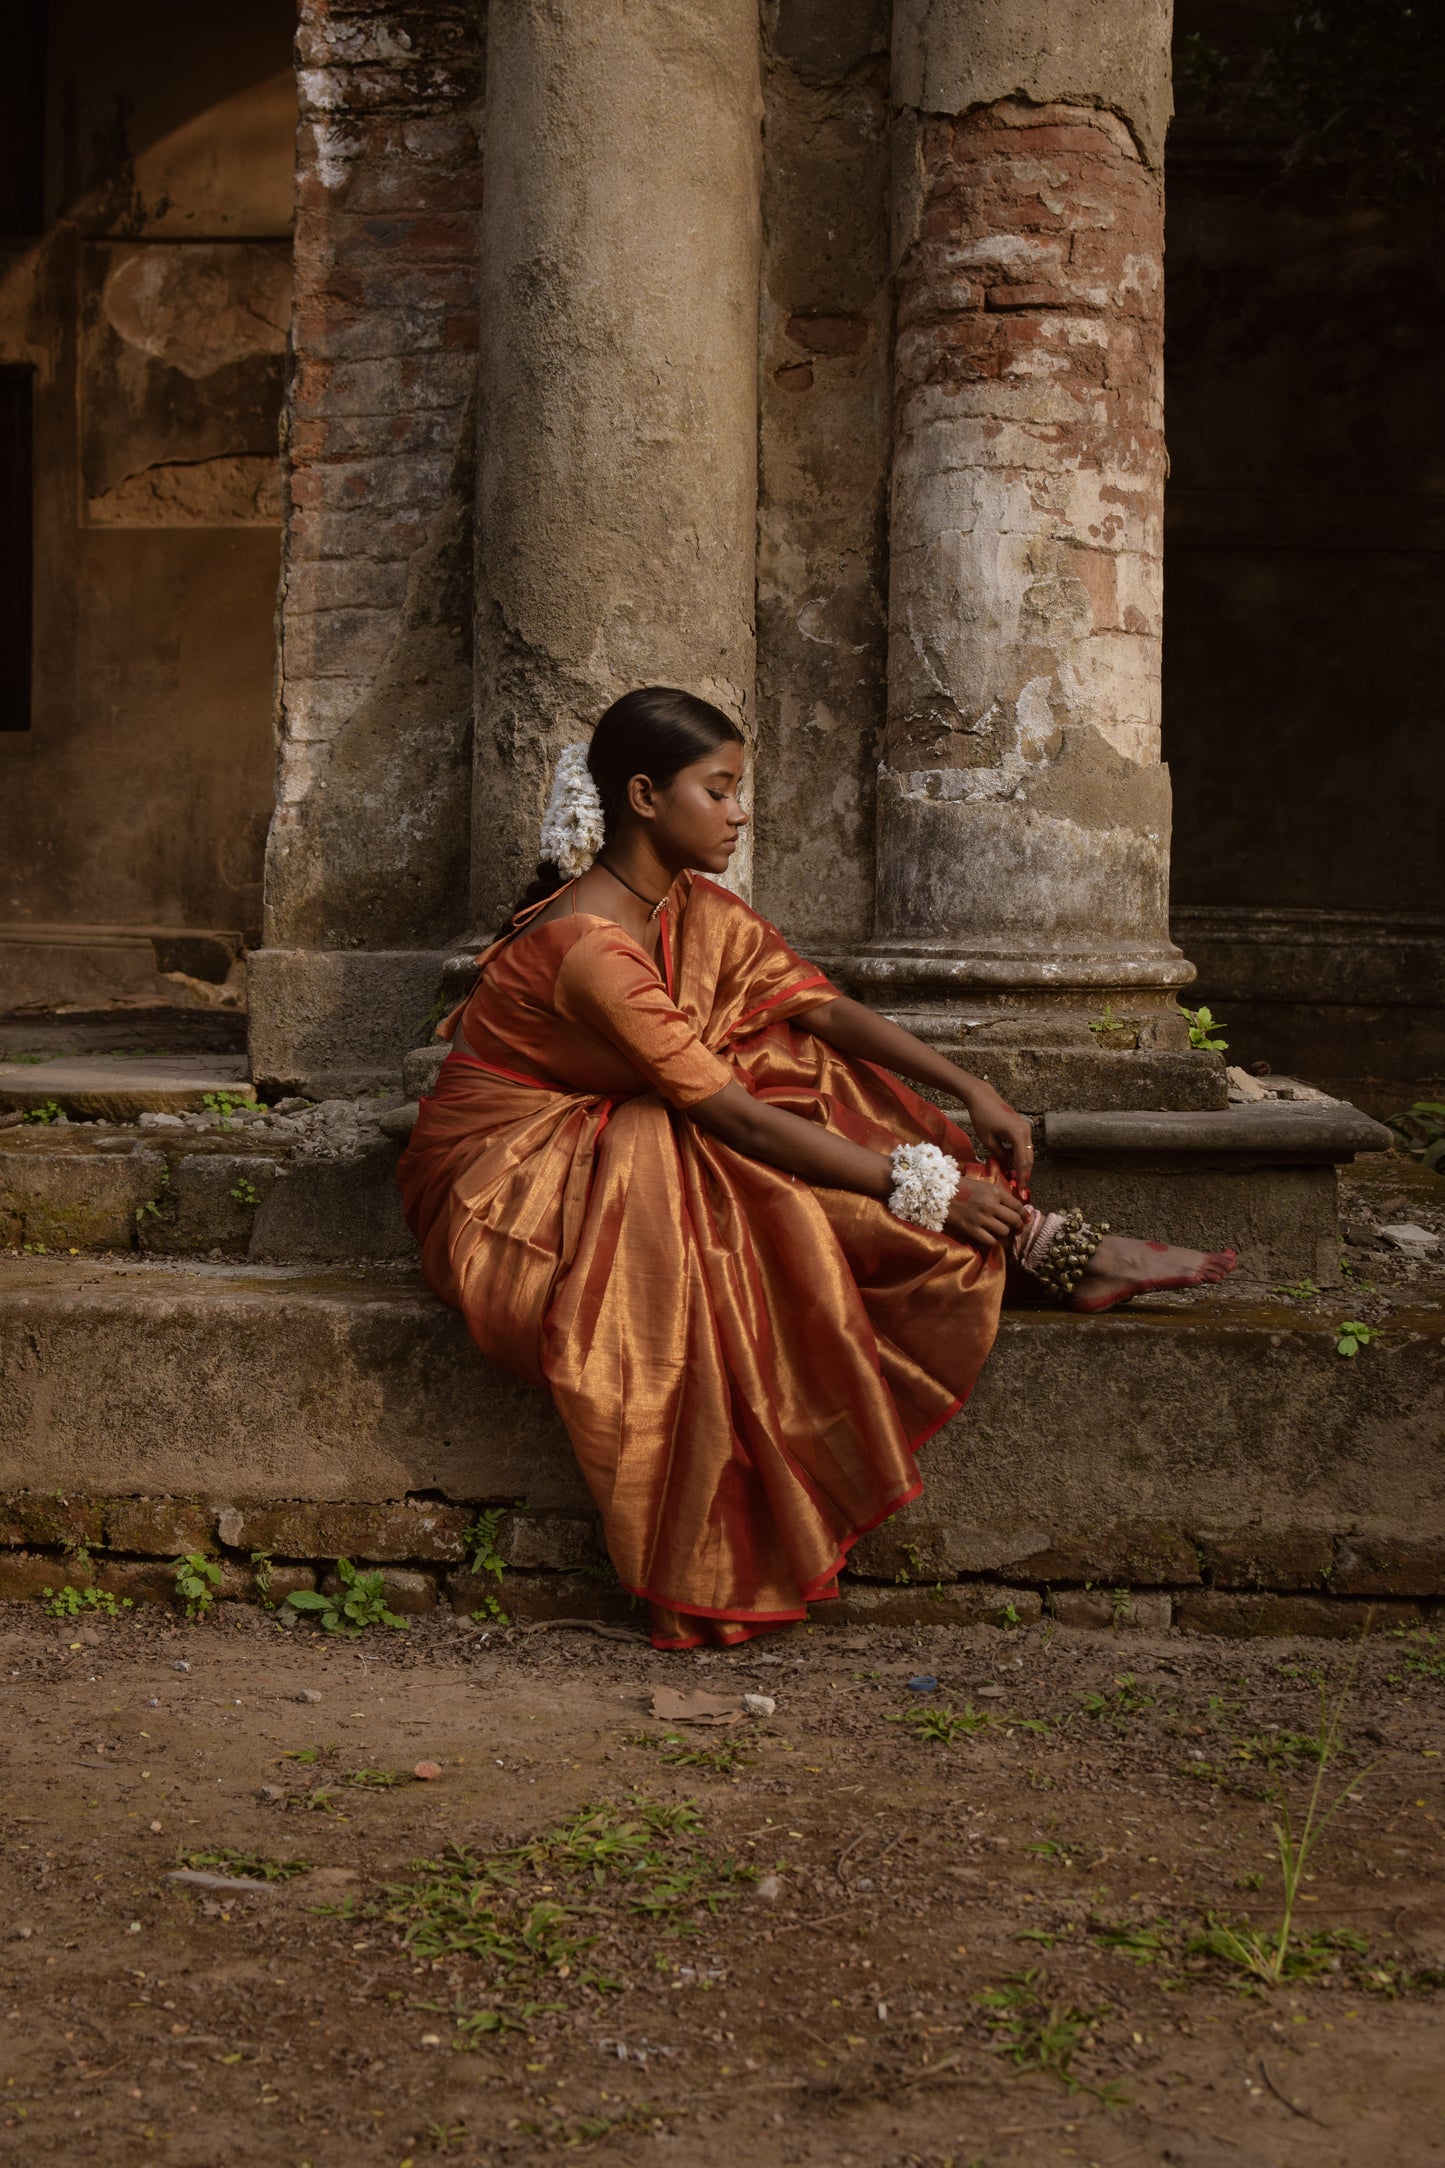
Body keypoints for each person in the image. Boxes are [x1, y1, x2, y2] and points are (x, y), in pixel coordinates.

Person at [398, 687, 1234, 1650]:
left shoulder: (689, 908)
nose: (739, 813)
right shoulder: (591, 950)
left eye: (737, 790)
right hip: (505, 1185)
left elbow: (821, 1006)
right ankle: (1030, 1244)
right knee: (684, 1146)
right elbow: (735, 1120)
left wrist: (973, 1090)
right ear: (641, 795)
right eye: (719, 791)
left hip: (647, 1117)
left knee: (784, 1053)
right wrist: (928, 1187)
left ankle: (1027, 1239)